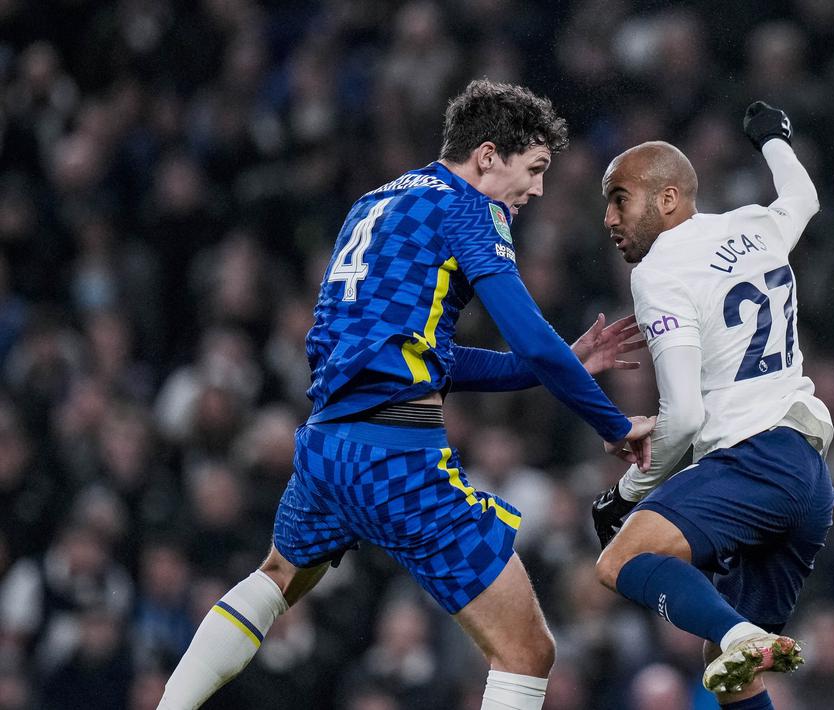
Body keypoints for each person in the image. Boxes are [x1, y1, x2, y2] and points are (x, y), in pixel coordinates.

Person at [158, 79, 654, 710]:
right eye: (533, 170)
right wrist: (611, 422)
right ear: (487, 157)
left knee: (276, 578)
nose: (535, 191)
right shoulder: (469, 208)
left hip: (327, 446)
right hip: (395, 456)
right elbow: (529, 336)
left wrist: (565, 363)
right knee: (527, 650)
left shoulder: (374, 204)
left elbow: (434, 357)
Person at [590, 101, 834, 709]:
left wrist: (627, 492)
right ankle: (737, 637)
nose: (608, 217)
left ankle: (737, 630)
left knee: (620, 560)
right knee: (728, 669)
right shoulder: (754, 226)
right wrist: (773, 138)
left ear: (668, 199)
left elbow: (688, 418)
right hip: (808, 477)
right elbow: (802, 198)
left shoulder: (659, 272)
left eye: (620, 198)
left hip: (752, 460)